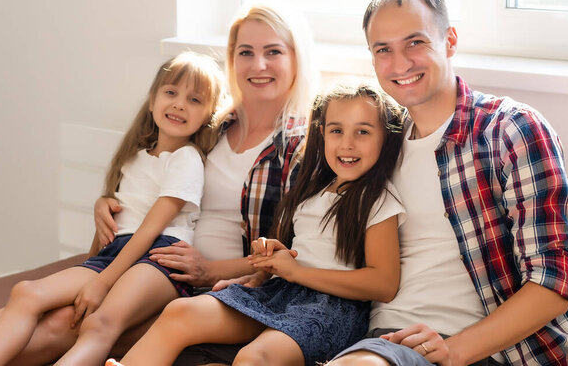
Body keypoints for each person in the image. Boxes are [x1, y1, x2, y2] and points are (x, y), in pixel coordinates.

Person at [0, 2, 319, 366]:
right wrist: (108, 202)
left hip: (213, 287)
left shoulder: (302, 145)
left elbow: (294, 254)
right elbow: (156, 176)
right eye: (246, 52)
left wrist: (209, 270)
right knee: (32, 309)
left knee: (64, 323)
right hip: (152, 260)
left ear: (295, 58)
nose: (258, 65)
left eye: (273, 52)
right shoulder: (213, 125)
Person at [327, 0, 568, 366]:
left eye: (414, 42)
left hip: (492, 352)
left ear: (449, 41)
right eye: (383, 49)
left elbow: (551, 284)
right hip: (383, 341)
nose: (399, 65)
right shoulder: (376, 142)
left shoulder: (510, 129)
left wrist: (453, 350)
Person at [106, 82, 406, 366]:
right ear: (322, 133)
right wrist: (276, 258)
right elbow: (308, 252)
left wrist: (298, 271)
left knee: (255, 358)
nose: (347, 144)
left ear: (385, 137)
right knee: (179, 311)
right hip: (282, 291)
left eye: (363, 132)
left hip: (332, 310)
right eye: (337, 130)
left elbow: (384, 284)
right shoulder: (312, 193)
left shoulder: (376, 199)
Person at [0, 51, 226, 366]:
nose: (180, 104)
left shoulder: (187, 159)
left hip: (159, 256)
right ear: (152, 99)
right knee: (25, 293)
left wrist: (101, 283)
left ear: (209, 114)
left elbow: (150, 229)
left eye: (194, 100)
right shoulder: (135, 157)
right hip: (116, 252)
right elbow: (111, 235)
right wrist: (95, 253)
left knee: (99, 323)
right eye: (171, 92)